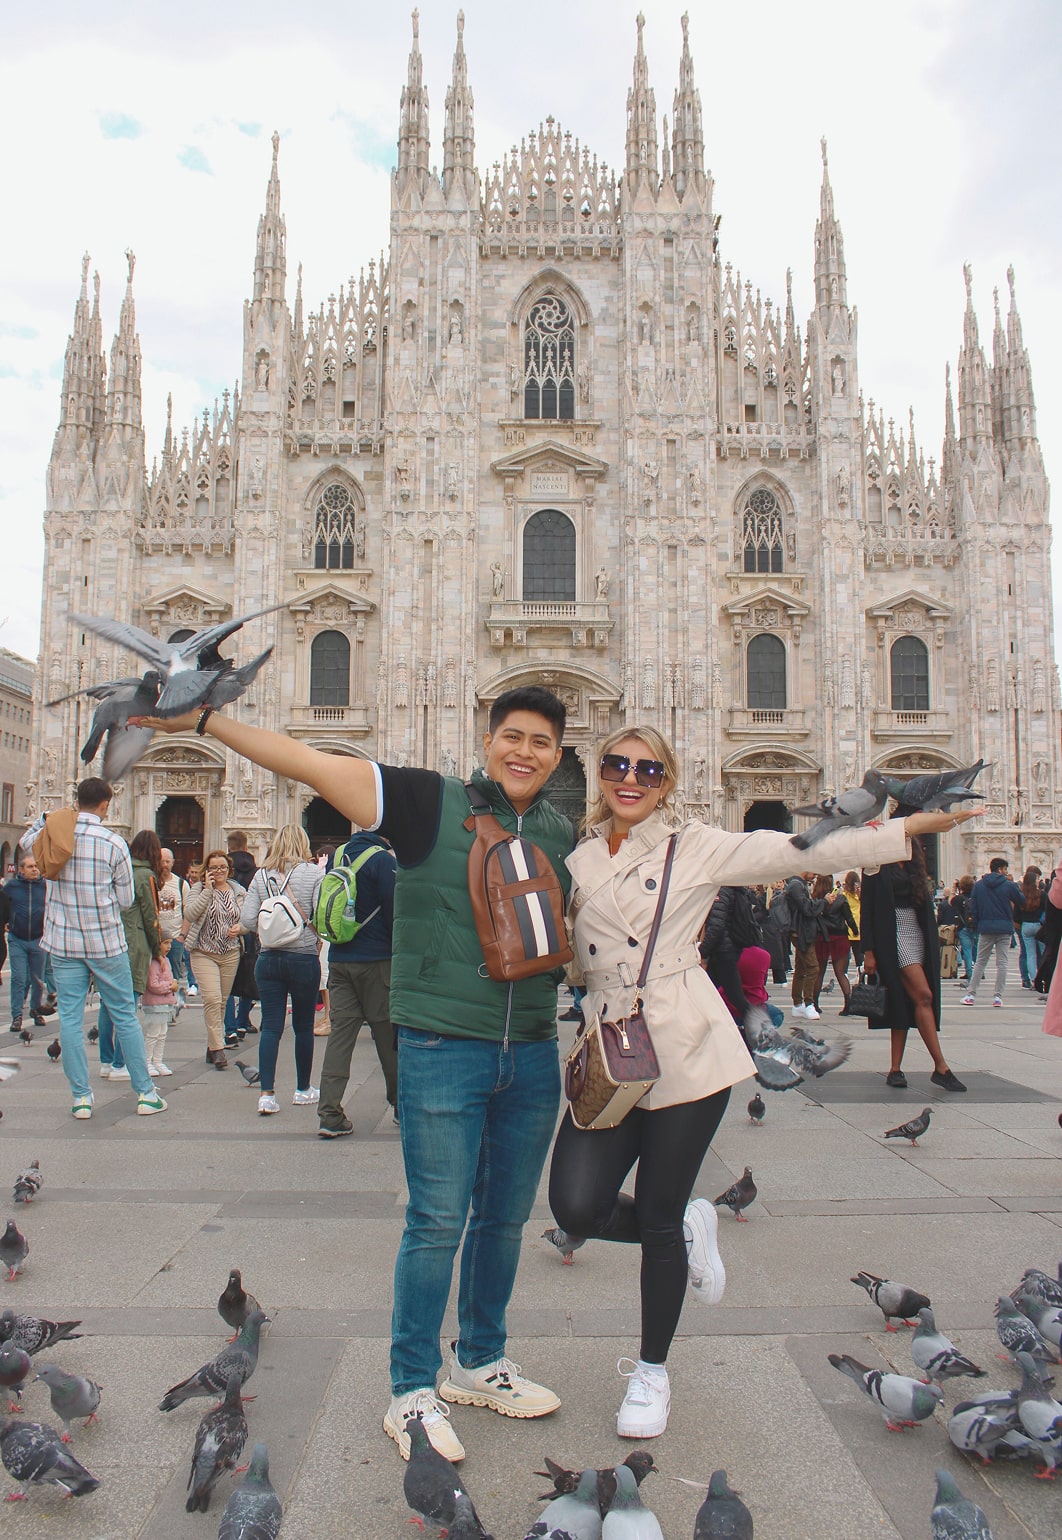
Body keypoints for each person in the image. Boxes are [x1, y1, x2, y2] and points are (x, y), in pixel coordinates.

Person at [134, 684, 573, 1464]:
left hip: (532, 1051)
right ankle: (411, 1387)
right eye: (513, 736)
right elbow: (307, 759)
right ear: (487, 738)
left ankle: (479, 1360)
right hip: (443, 1048)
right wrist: (204, 720)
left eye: (541, 741)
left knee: (504, 1220)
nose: (525, 753)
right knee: (436, 1222)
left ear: (559, 753)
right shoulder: (422, 803)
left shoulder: (559, 830)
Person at [546, 726, 967, 1439]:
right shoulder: (578, 858)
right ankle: (685, 1226)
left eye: (647, 768)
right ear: (598, 774)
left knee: (651, 1213)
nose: (629, 777)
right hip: (612, 1049)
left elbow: (801, 851)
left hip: (686, 1045)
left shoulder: (698, 845)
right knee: (576, 1207)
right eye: (615, 763)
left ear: (667, 781)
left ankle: (651, 1372)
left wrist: (907, 829)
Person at [19, 777, 167, 1119]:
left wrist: (48, 817)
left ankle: (81, 1098)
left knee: (69, 1020)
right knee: (124, 1015)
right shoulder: (114, 843)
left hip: (64, 942)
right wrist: (104, 905)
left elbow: (28, 840)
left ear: (76, 801)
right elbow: (127, 899)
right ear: (105, 804)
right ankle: (146, 1094)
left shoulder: (55, 836)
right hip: (105, 943)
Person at [860, 806, 971, 1091]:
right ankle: (941, 1067)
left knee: (904, 999)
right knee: (923, 995)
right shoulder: (876, 860)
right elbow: (868, 907)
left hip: (917, 931)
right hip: (892, 933)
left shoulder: (914, 859)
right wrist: (868, 951)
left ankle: (895, 1069)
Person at [317, 831, 399, 1138]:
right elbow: (395, 914)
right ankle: (400, 1104)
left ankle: (329, 1112)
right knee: (387, 1037)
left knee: (340, 1037)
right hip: (377, 961)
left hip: (339, 959)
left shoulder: (338, 858)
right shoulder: (381, 861)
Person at [239, 825, 323, 1114]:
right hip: (303, 956)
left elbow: (248, 920)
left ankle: (267, 1095)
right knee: (303, 1027)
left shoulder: (260, 876)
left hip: (269, 958)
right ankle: (303, 1089)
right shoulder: (314, 873)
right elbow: (321, 915)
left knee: (271, 1027)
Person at [103, 830, 165, 1082]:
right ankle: (120, 1063)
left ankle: (107, 1061)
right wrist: (158, 949)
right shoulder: (145, 876)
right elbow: (151, 917)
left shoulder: (118, 871)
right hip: (135, 943)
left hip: (111, 941)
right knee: (127, 1005)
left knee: (108, 1004)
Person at [176, 850, 246, 1068]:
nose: (219, 872)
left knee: (222, 1002)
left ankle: (211, 1045)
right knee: (212, 999)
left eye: (222, 867)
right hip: (203, 951)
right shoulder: (198, 890)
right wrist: (207, 890)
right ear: (206, 871)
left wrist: (241, 928)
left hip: (230, 952)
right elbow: (190, 915)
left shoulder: (238, 891)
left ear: (229, 869)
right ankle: (218, 1049)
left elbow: (247, 918)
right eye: (214, 868)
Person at [963, 857, 1025, 1007]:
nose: (1006, 872)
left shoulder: (979, 886)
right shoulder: (1008, 885)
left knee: (980, 962)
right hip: (1004, 928)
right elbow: (1021, 901)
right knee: (1002, 962)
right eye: (1005, 869)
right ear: (1000, 869)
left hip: (985, 928)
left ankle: (971, 994)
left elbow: (974, 908)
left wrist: (978, 924)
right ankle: (998, 997)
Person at [4, 851, 47, 1030]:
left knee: (37, 979)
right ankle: (17, 1015)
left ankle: (36, 1009)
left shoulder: (45, 886)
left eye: (36, 866)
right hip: (17, 939)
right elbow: (2, 904)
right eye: (30, 866)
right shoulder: (11, 886)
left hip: (39, 938)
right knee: (19, 978)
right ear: (21, 870)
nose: (34, 869)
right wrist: (5, 921)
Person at [225, 832, 259, 1044]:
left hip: (226, 929)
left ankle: (230, 1027)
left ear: (229, 847)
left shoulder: (225, 871)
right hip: (248, 929)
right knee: (248, 972)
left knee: (226, 980)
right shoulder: (256, 872)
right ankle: (242, 1020)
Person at [811, 875, 857, 1014]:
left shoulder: (816, 899)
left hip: (821, 937)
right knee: (840, 973)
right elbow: (848, 917)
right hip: (840, 936)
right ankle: (848, 1003)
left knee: (819, 972)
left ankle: (814, 1003)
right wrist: (855, 930)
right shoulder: (841, 898)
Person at [786, 871, 825, 1019]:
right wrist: (824, 902)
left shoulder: (798, 884)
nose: (816, 874)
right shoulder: (796, 886)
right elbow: (807, 908)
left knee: (801, 967)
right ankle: (809, 1003)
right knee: (813, 967)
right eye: (813, 870)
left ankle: (797, 1004)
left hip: (801, 931)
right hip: (800, 932)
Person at [142, 940, 179, 1075]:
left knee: (162, 1033)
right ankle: (147, 1061)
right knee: (153, 1034)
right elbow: (152, 984)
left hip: (165, 1004)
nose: (168, 946)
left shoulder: (166, 960)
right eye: (165, 943)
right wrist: (170, 986)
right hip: (155, 1005)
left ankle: (158, 1060)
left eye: (170, 943)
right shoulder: (153, 963)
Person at [1014, 866, 1045, 990]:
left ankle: (1033, 980)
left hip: (1026, 925)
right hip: (1039, 925)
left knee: (1029, 954)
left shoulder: (1021, 895)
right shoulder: (1041, 895)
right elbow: (1047, 910)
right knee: (1043, 953)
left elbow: (1016, 913)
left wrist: (1019, 924)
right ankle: (1044, 978)